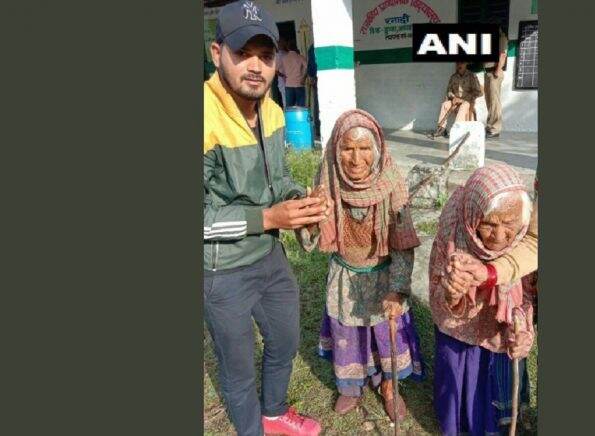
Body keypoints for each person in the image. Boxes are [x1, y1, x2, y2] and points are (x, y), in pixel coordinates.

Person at [203, 2, 327, 435]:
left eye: (267, 55)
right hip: (222, 269)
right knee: (237, 370)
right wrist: (269, 218)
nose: (256, 66)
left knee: (285, 340)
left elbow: (279, 180)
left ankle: (273, 413)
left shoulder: (272, 111)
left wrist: (301, 204)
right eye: (244, 53)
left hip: (270, 258)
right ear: (217, 52)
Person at [296, 109, 424, 421]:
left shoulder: (392, 184)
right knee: (346, 333)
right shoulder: (328, 180)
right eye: (347, 148)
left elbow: (403, 246)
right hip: (344, 275)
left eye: (364, 148)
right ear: (334, 151)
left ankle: (390, 387)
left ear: (377, 150)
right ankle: (350, 386)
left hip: (383, 277)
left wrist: (398, 290)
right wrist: (312, 220)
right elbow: (310, 239)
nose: (355, 159)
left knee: (386, 331)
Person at [429, 163, 538, 436]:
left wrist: (522, 330)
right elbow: (442, 295)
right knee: (459, 369)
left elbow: (525, 294)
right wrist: (453, 293)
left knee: (496, 383)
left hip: (499, 335)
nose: (499, 237)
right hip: (459, 331)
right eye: (489, 224)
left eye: (509, 225)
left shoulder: (525, 238)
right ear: (474, 217)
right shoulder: (455, 231)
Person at [428, 62, 483, 139]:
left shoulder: (471, 76)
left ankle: (457, 130)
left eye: (461, 63)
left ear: (466, 64)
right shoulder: (453, 77)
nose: (459, 65)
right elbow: (448, 91)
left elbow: (479, 92)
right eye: (457, 63)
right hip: (455, 101)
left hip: (467, 102)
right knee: (445, 105)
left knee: (463, 106)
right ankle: (441, 129)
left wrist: (463, 99)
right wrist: (453, 97)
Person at [484, 27, 509, 138]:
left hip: (494, 72)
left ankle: (495, 129)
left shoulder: (501, 38)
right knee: (489, 101)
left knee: (494, 101)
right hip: (489, 73)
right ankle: (490, 126)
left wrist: (497, 71)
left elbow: (502, 55)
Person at [278, 39, 308, 107]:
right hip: (299, 84)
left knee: (289, 107)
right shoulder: (300, 57)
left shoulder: (284, 58)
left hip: (288, 85)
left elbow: (276, 70)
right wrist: (303, 78)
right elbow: (307, 67)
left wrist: (283, 75)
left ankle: (289, 118)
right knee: (301, 107)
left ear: (288, 48)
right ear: (296, 47)